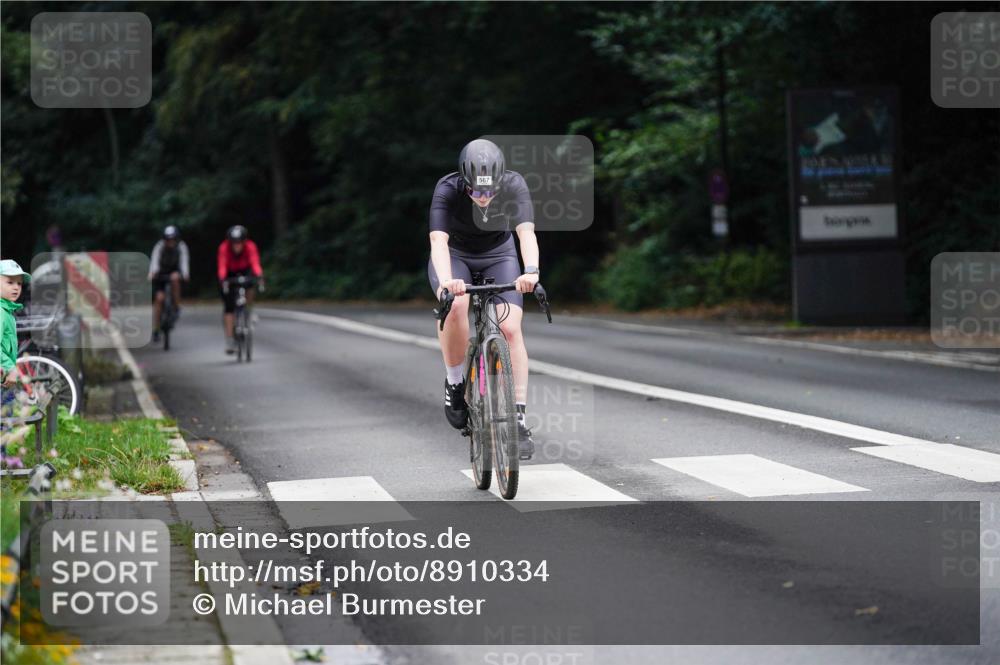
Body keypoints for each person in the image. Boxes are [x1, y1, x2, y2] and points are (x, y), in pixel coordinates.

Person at [428, 138, 540, 459]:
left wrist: (531, 271)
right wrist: (448, 281)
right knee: (457, 305)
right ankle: (454, 383)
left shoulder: (514, 184)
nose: (483, 198)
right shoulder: (447, 189)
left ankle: (517, 418)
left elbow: (526, 234)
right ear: (464, 182)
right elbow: (437, 240)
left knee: (510, 329)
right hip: (455, 255)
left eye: (490, 192)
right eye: (476, 192)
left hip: (498, 254)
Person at [217, 225, 263, 354]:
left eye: (239, 243)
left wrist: (259, 275)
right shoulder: (224, 248)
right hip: (229, 273)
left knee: (250, 286)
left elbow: (255, 262)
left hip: (245, 270)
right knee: (229, 307)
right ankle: (230, 339)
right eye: (234, 243)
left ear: (244, 241)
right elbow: (222, 265)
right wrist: (222, 279)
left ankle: (249, 309)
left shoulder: (250, 246)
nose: (237, 246)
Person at [148, 225, 190, 342]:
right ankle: (156, 328)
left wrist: (185, 274)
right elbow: (154, 261)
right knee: (159, 299)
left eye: (173, 239)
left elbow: (184, 262)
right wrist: (152, 273)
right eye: (168, 239)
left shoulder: (181, 247)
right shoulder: (159, 246)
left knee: (175, 279)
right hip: (160, 274)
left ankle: (176, 306)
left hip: (175, 272)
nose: (170, 242)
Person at [1, 259, 30, 389]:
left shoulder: (7, 311)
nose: (16, 287)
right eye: (10, 282)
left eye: (19, 283)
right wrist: (10, 368)